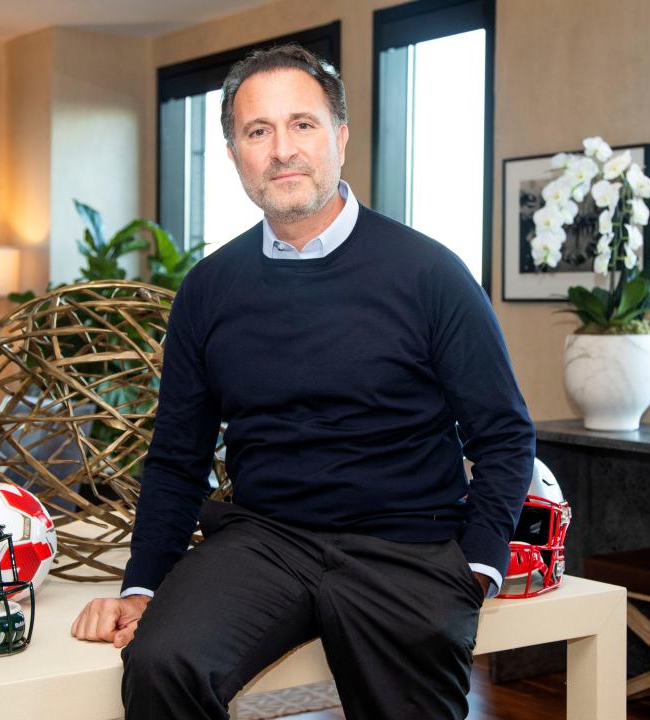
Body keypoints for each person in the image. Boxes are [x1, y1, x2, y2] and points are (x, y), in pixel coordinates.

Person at [71, 44, 535, 720]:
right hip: (265, 539)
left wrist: (479, 568)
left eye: (303, 125)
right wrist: (142, 585)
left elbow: (504, 433)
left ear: (340, 138)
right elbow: (177, 457)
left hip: (406, 543)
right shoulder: (207, 290)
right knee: (162, 663)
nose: (282, 148)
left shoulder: (430, 273)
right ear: (235, 155)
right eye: (258, 132)